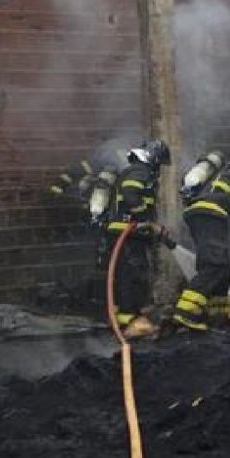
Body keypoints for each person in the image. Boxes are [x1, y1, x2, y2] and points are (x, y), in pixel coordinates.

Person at [173, 151, 230, 331]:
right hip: (213, 215)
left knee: (224, 271)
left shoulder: (221, 175)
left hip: (197, 214)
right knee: (213, 266)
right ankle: (185, 314)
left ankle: (217, 318)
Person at [103, 139, 173, 336]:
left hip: (130, 233)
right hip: (126, 232)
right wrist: (145, 219)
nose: (159, 167)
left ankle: (130, 315)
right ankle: (128, 321)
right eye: (159, 162)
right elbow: (130, 192)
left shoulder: (139, 170)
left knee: (133, 274)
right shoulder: (140, 170)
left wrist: (154, 229)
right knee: (131, 275)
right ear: (153, 157)